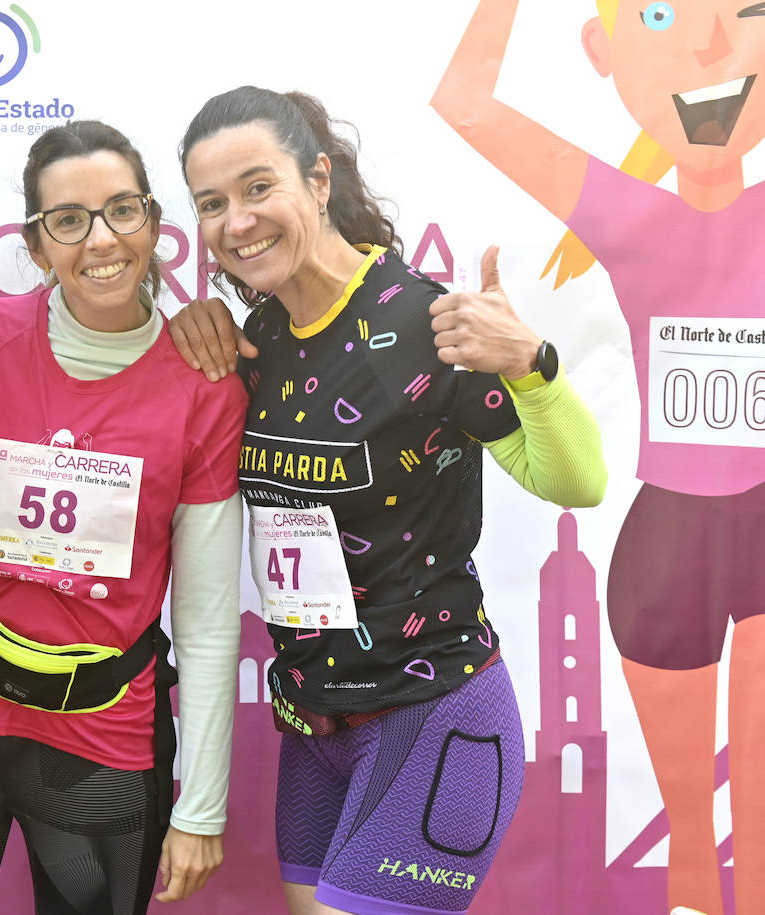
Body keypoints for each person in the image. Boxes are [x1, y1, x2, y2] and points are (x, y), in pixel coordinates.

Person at [167, 86, 607, 915]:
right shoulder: (253, 343)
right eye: (211, 203)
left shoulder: (423, 320)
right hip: (313, 729)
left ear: (319, 179)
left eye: (259, 188)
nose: (237, 222)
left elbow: (575, 483)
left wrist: (532, 364)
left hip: (434, 715)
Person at [433, 4, 765, 913]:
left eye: (744, 16)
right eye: (664, 17)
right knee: (694, 857)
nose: (708, 45)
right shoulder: (625, 213)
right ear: (602, 54)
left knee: (764, 840)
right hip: (668, 549)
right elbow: (464, 101)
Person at [0, 120, 248, 914]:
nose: (102, 239)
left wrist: (202, 804)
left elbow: (212, 614)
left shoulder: (205, 384)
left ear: (155, 224)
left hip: (103, 743)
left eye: (123, 210)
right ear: (38, 243)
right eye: (69, 219)